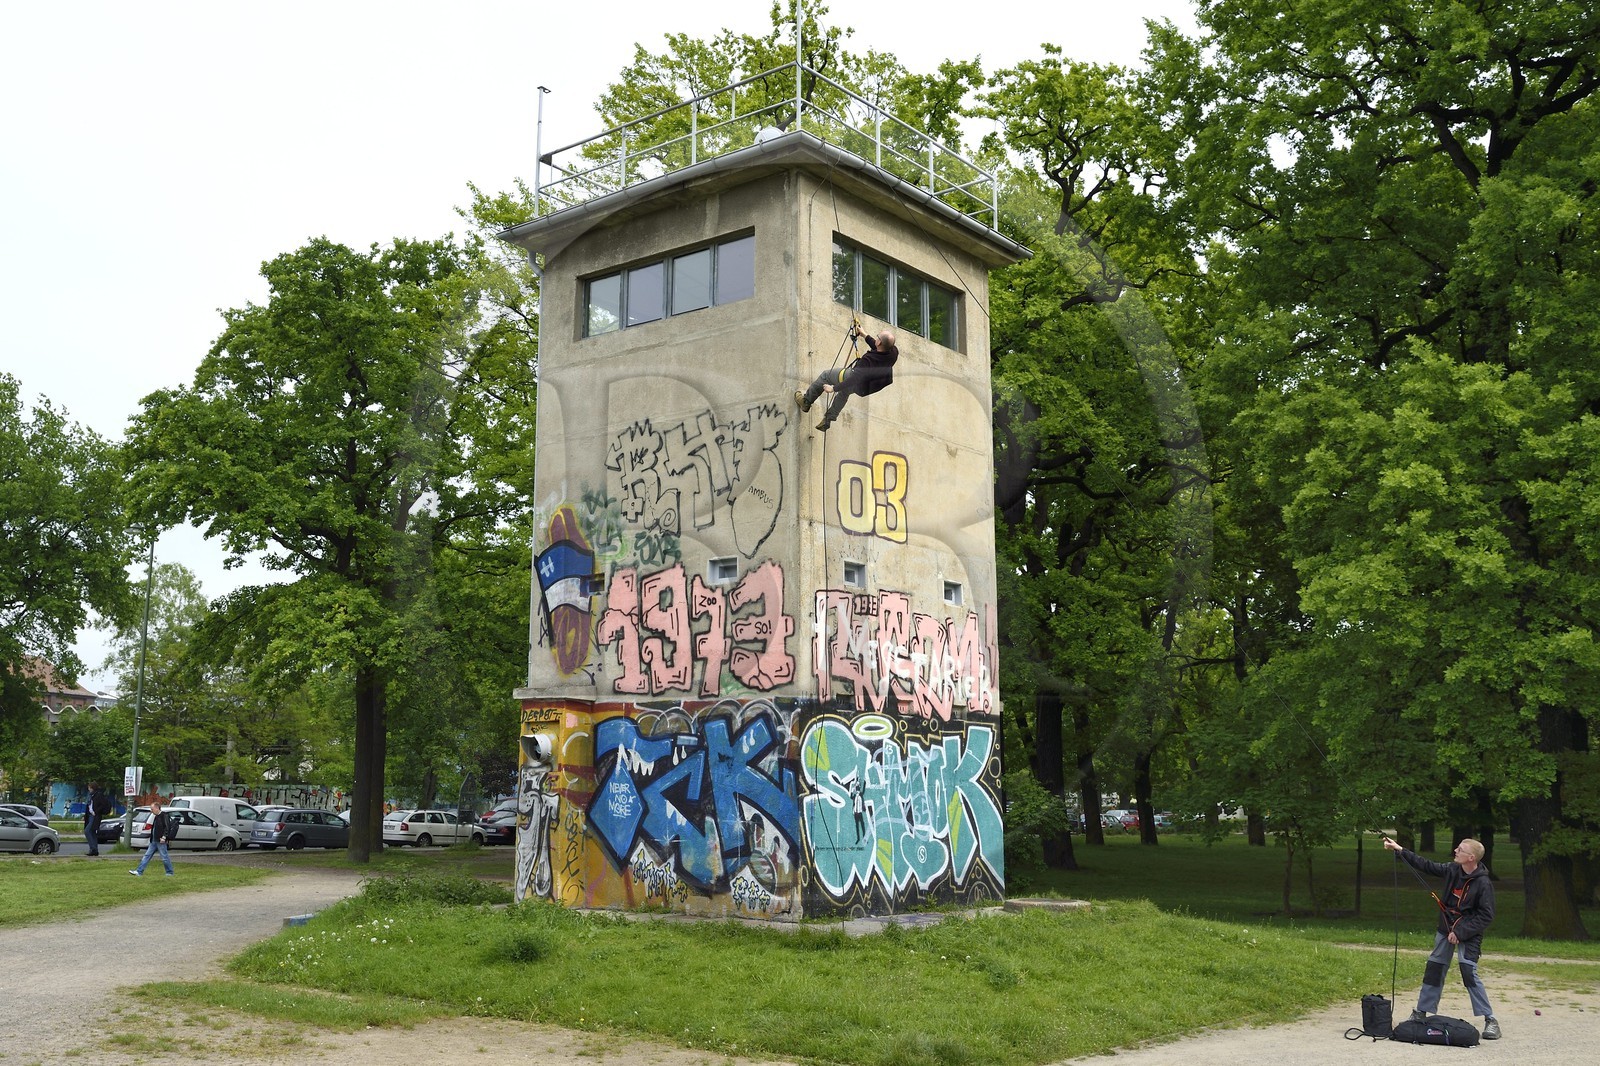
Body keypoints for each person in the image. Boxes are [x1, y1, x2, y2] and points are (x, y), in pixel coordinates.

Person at [1382, 835, 1500, 1040]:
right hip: (1446, 928)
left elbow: (1486, 915)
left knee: (1467, 970)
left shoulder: (1483, 883)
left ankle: (1490, 1020)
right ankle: (1421, 1011)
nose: (1456, 850)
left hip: (1469, 933)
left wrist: (1461, 932)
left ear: (1471, 857)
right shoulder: (1452, 869)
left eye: (1460, 850)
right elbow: (1426, 865)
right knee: (1435, 967)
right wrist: (1400, 850)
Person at [795, 325, 899, 431]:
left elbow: (854, 378)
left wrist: (833, 388)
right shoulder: (893, 351)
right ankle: (827, 420)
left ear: (880, 342)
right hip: (865, 386)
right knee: (844, 393)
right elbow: (876, 346)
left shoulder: (867, 361)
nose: (876, 338)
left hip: (855, 379)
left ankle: (806, 402)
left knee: (826, 375)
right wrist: (864, 334)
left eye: (878, 337)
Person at [130, 800, 177, 877]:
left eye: (152, 809)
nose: (151, 811)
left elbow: (167, 827)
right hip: (154, 840)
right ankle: (139, 871)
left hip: (160, 840)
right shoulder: (156, 816)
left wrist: (164, 837)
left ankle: (170, 872)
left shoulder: (164, 815)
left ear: (157, 808)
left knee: (164, 857)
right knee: (147, 856)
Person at [83, 782, 112, 856]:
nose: (88, 789)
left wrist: (96, 811)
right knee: (92, 832)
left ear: (92, 788)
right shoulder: (91, 796)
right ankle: (94, 850)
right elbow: (89, 806)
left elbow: (103, 804)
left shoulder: (98, 795)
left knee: (87, 831)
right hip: (90, 815)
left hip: (95, 816)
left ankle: (93, 849)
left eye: (89, 787)